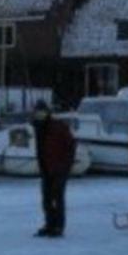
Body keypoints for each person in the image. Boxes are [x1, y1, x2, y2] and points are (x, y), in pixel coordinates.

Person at [31, 101, 77, 237]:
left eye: (42, 112)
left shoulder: (58, 126)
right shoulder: (38, 127)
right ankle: (49, 224)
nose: (40, 115)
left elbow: (71, 145)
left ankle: (58, 227)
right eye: (38, 112)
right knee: (46, 199)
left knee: (58, 197)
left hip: (59, 168)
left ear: (48, 113)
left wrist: (66, 164)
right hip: (46, 168)